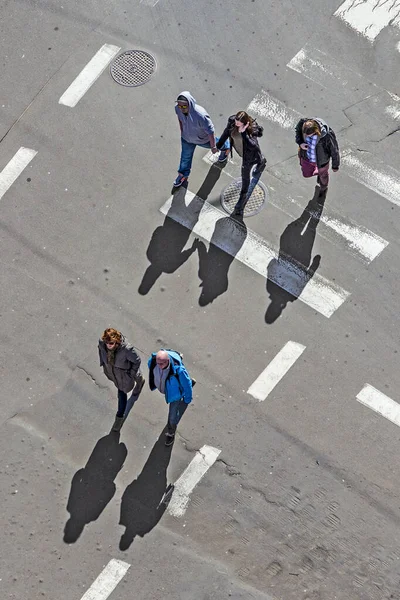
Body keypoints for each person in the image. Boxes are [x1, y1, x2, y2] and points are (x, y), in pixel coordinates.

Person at [173, 91, 230, 188]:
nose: (181, 108)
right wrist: (182, 131)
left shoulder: (201, 115)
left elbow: (210, 131)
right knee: (185, 158)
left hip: (203, 139)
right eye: (179, 106)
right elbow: (180, 118)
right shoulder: (177, 109)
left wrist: (213, 147)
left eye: (184, 106)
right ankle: (183, 175)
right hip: (187, 139)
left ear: (189, 104)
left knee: (217, 144)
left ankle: (226, 146)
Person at [216, 110, 266, 217]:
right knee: (259, 160)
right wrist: (218, 146)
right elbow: (226, 132)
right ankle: (261, 161)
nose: (236, 123)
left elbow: (252, 145)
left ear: (244, 122)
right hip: (241, 151)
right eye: (236, 121)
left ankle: (241, 200)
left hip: (250, 156)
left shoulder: (252, 128)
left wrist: (243, 133)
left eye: (239, 122)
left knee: (245, 176)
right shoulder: (232, 121)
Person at [98, 328, 145, 432]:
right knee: (128, 383)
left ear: (117, 341)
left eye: (111, 343)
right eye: (107, 342)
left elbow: (137, 361)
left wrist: (131, 374)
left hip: (124, 373)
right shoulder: (102, 343)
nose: (108, 345)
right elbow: (100, 349)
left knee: (122, 393)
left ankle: (119, 417)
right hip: (114, 372)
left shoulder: (127, 349)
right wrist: (103, 363)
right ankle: (139, 379)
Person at [148, 349, 194, 445]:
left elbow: (187, 386)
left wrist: (187, 399)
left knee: (172, 416)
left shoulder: (179, 371)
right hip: (169, 389)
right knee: (183, 382)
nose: (159, 366)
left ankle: (170, 433)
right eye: (158, 363)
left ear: (167, 361)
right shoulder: (153, 362)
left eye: (161, 364)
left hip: (175, 395)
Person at [295, 117, 340, 200]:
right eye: (305, 134)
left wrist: (335, 165)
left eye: (310, 135)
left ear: (316, 131)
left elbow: (334, 150)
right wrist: (300, 143)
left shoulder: (327, 135)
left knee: (323, 176)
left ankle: (323, 188)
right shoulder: (303, 123)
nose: (307, 136)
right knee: (306, 174)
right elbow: (298, 131)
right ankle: (319, 173)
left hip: (322, 161)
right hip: (306, 157)